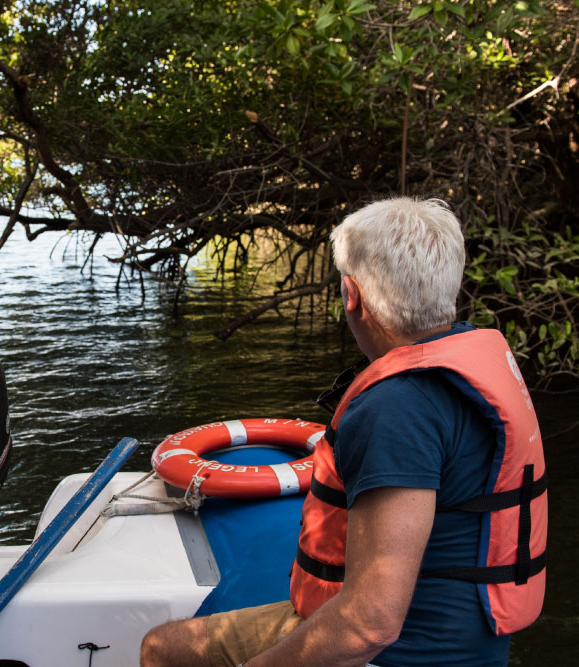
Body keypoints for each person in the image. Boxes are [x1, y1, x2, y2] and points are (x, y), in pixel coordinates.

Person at [141, 197, 547, 667]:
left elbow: (370, 623)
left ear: (351, 294)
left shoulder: (399, 408)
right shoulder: (469, 371)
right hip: (473, 643)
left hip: (409, 655)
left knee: (163, 650)